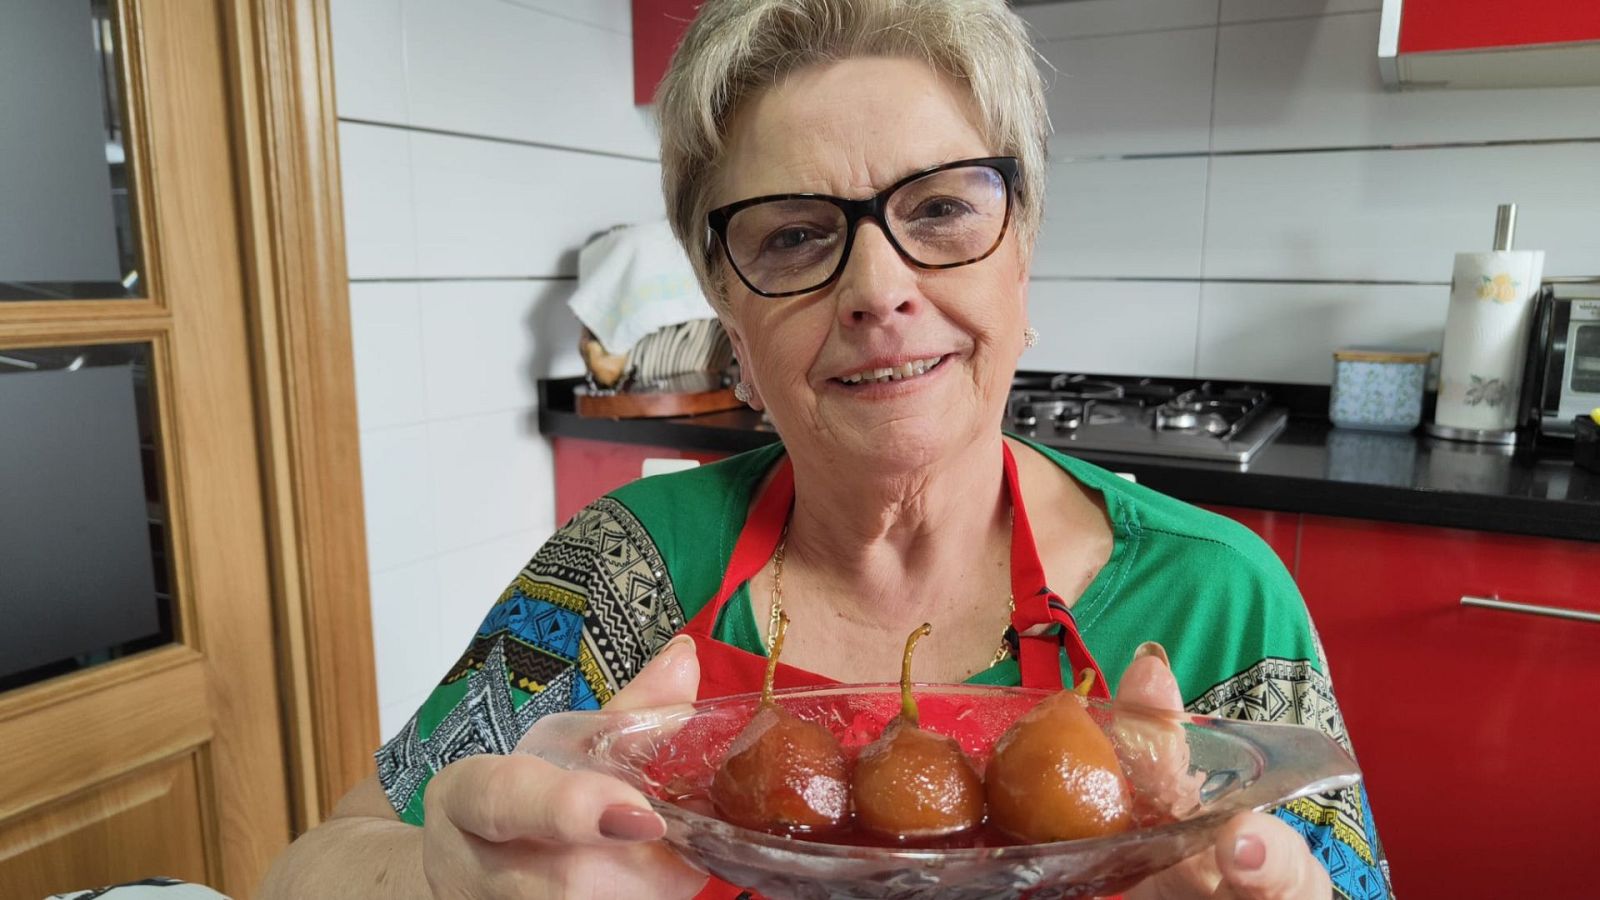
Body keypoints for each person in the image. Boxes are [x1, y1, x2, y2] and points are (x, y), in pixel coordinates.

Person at [260, 1, 1391, 898]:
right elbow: (311, 866)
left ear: (1023, 249)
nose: (878, 290)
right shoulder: (620, 573)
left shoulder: (1212, 599)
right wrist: (446, 879)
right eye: (796, 236)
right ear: (728, 312)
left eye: (940, 210)